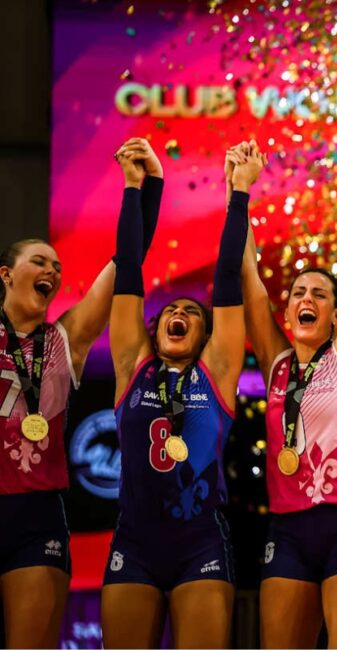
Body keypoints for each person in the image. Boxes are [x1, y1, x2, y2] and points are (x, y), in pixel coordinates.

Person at [0, 138, 161, 648]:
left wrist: (145, 185)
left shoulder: (64, 340)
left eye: (56, 266)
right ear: (6, 274)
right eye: (39, 262)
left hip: (37, 516)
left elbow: (126, 263)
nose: (52, 271)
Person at [99, 142, 260, 647]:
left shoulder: (216, 372)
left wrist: (239, 193)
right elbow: (128, 269)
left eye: (192, 313)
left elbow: (228, 278)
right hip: (134, 542)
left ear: (206, 335)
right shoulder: (133, 365)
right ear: (155, 328)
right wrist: (135, 186)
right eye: (172, 311)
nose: (179, 314)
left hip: (201, 544)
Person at [239, 129, 337, 648]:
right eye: (298, 292)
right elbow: (248, 280)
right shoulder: (278, 363)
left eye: (319, 294)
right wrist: (239, 191)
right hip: (287, 531)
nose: (306, 298)